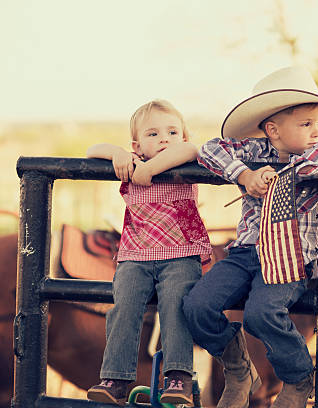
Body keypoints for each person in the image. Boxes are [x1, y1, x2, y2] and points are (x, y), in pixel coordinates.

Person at [182, 66, 318, 408]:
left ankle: (297, 377)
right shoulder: (251, 152)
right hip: (246, 252)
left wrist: (278, 175)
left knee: (260, 313)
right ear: (273, 129)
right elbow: (209, 149)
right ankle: (238, 370)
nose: (316, 132)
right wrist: (245, 174)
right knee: (197, 305)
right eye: (306, 124)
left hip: (288, 257)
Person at [86, 99, 212, 406]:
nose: (165, 139)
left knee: (176, 307)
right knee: (123, 307)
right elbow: (92, 150)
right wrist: (117, 154)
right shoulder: (130, 161)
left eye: (172, 131)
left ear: (182, 136)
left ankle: (178, 377)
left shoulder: (185, 161)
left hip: (180, 254)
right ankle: (116, 378)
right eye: (153, 134)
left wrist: (152, 168)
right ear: (137, 145)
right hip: (135, 256)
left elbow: (191, 148)